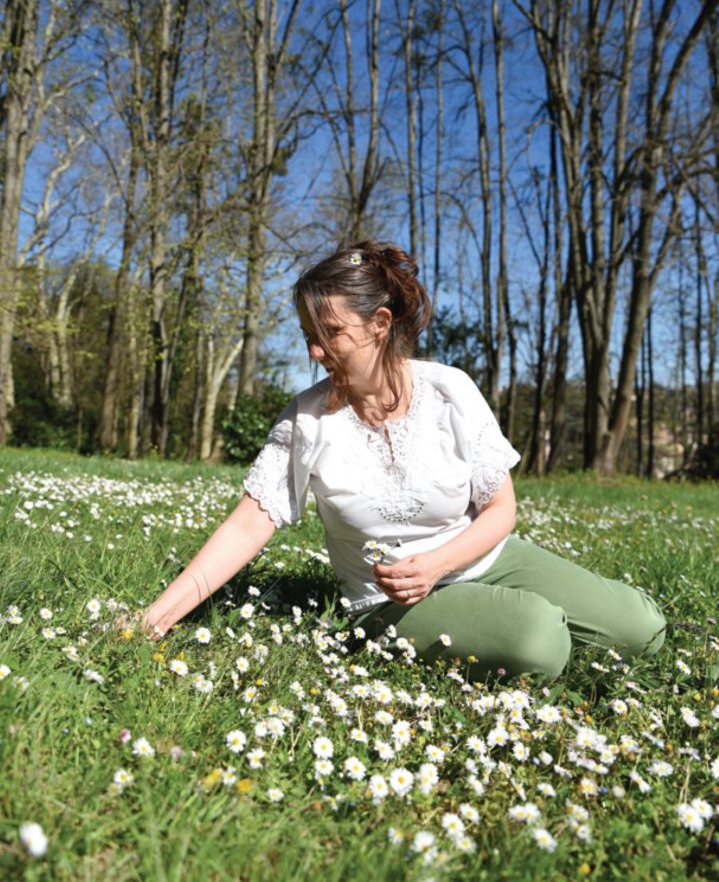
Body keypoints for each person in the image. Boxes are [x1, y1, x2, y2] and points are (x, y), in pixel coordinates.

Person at [141, 240, 665, 680]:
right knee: (539, 639)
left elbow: (500, 509)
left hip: (486, 560)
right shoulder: (307, 420)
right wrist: (157, 618)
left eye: (330, 334)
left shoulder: (450, 389)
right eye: (309, 337)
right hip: (389, 601)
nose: (315, 353)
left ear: (379, 324)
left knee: (643, 629)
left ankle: (514, 615)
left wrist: (439, 563)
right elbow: (247, 525)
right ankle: (513, 626)